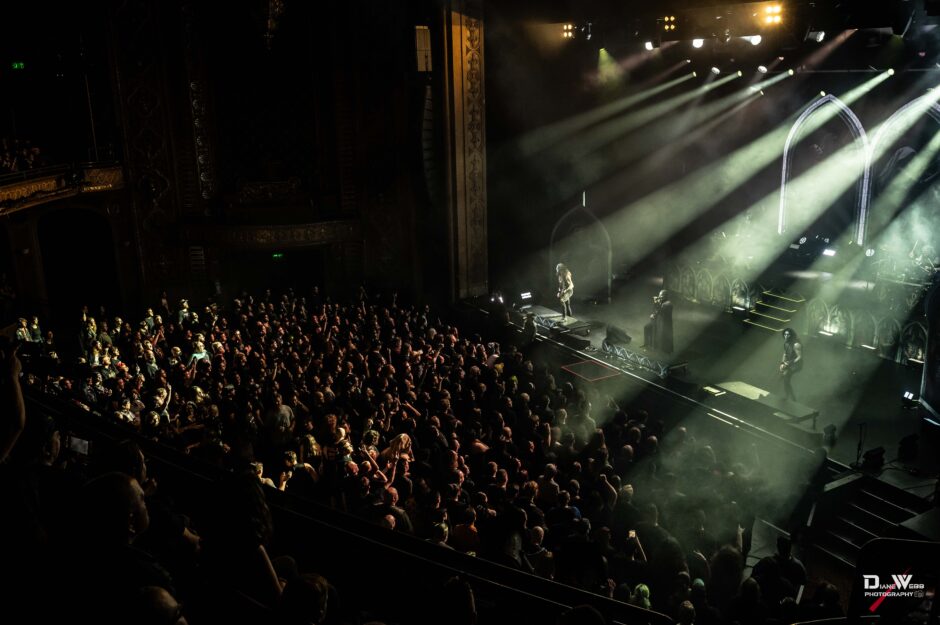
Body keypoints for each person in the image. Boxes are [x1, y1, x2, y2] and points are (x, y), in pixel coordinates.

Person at [779, 327, 802, 401]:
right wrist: (782, 363)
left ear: (791, 335)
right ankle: (791, 397)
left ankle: (790, 398)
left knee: (786, 379)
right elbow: (785, 353)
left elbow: (799, 357)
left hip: (796, 365)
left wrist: (788, 363)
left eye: (788, 334)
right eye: (785, 334)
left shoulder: (796, 345)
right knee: (785, 380)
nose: (786, 336)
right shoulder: (786, 343)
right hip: (789, 363)